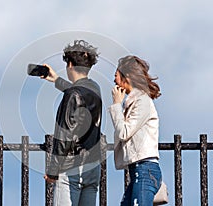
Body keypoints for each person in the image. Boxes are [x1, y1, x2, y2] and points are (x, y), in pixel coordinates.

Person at [42, 40, 102, 206]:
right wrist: (56, 80)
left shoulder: (72, 95)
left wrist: (53, 172)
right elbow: (80, 93)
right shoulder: (95, 88)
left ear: (69, 64)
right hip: (92, 166)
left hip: (71, 167)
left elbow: (64, 136)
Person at [108, 55, 162, 206]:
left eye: (116, 76)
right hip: (138, 171)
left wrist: (116, 105)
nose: (114, 81)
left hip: (145, 170)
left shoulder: (142, 100)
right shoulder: (132, 102)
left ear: (128, 76)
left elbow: (124, 132)